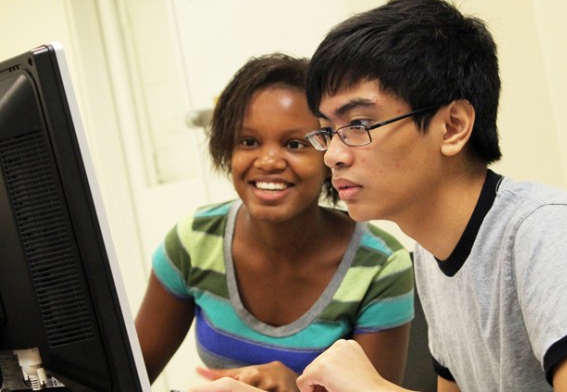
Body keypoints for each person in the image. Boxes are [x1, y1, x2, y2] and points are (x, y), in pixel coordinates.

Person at [188, 0, 567, 392]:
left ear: (453, 126)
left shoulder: (546, 233)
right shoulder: (432, 253)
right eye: (327, 131)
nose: (333, 155)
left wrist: (371, 388)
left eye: (358, 124)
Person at [135, 53, 415, 392]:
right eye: (248, 142)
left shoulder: (381, 265)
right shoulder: (194, 240)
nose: (267, 161)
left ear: (329, 153)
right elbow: (123, 376)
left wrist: (295, 389)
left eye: (294, 144)